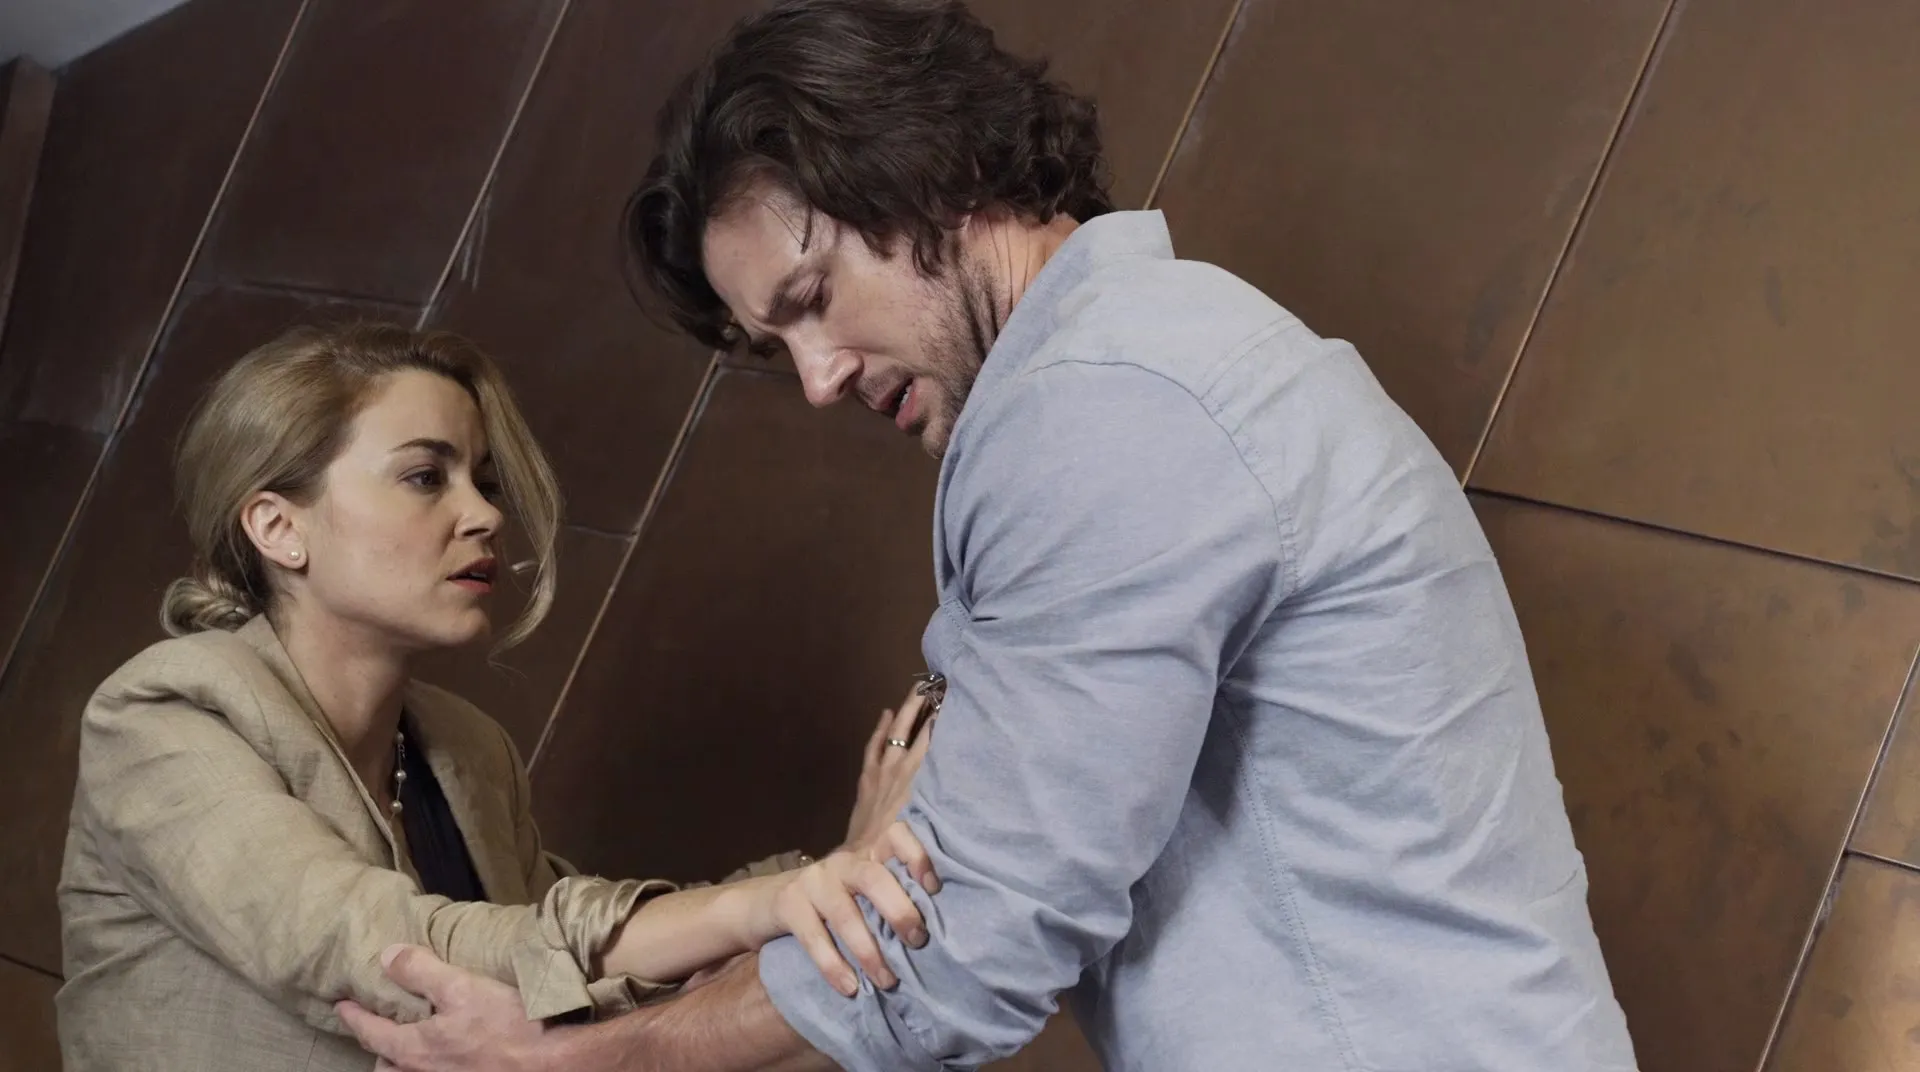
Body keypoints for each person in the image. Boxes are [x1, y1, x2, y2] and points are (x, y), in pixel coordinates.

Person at [340, 1, 1641, 1069]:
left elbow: (963, 938)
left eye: (814, 297)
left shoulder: (1106, 407)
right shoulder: (1155, 363)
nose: (817, 379)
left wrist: (585, 1060)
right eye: (775, 344)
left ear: (936, 172)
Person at [55, 322, 940, 1072]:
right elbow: (379, 946)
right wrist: (764, 906)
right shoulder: (165, 716)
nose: (483, 515)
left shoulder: (463, 748)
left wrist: (842, 869)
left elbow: (587, 971)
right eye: (425, 476)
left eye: (483, 480)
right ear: (279, 527)